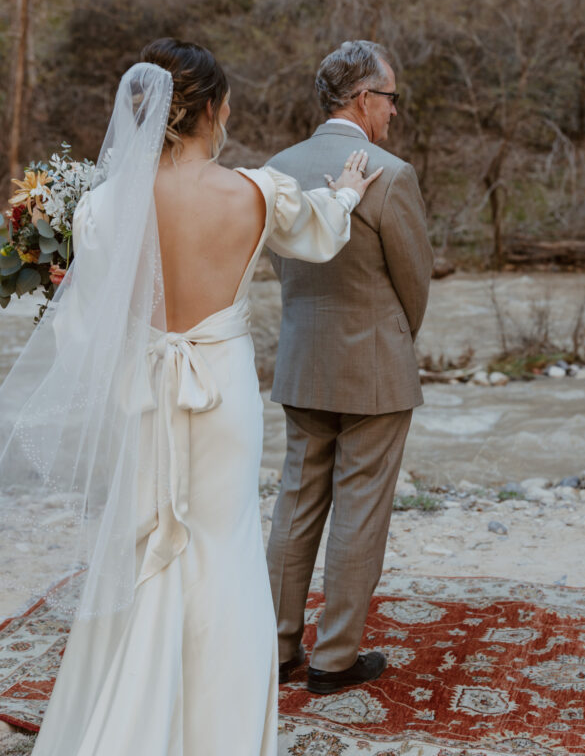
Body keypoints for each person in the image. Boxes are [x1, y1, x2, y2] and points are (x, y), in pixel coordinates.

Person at [0, 38, 381, 756]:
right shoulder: (254, 192)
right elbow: (322, 232)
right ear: (209, 110)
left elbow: (84, 337)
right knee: (224, 551)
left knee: (148, 542)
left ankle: (131, 718)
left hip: (142, 392)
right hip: (223, 394)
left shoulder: (103, 206)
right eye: (227, 101)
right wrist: (349, 192)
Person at [266, 40, 433, 695]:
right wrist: (395, 339)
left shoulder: (274, 169)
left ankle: (278, 647)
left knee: (295, 502)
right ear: (363, 98)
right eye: (390, 98)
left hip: (302, 359)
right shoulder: (390, 174)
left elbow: (283, 265)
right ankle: (335, 659)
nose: (393, 112)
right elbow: (413, 280)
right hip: (374, 368)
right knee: (359, 510)